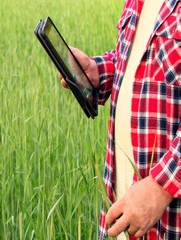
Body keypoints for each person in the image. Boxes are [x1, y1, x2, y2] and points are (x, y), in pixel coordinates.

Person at [60, 0, 181, 239]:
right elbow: (137, 62)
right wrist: (97, 72)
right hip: (121, 213)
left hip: (168, 222)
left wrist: (161, 186)